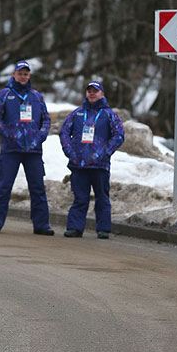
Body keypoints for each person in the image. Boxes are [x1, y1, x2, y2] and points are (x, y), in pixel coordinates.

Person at [0, 60, 54, 235]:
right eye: (20, 73)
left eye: (26, 74)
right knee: (3, 186)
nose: (23, 76)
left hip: (33, 150)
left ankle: (42, 225)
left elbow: (46, 119)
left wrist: (40, 136)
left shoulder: (36, 97)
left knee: (38, 188)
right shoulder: (4, 95)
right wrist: (8, 134)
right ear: (14, 75)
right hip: (11, 150)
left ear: (29, 76)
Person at [59, 81, 124, 239]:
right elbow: (64, 132)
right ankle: (75, 228)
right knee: (79, 198)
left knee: (102, 197)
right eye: (89, 91)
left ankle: (103, 229)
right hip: (78, 164)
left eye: (95, 91)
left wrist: (104, 153)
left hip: (99, 165)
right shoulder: (77, 113)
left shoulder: (109, 115)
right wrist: (70, 152)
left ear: (102, 94)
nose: (92, 94)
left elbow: (119, 136)